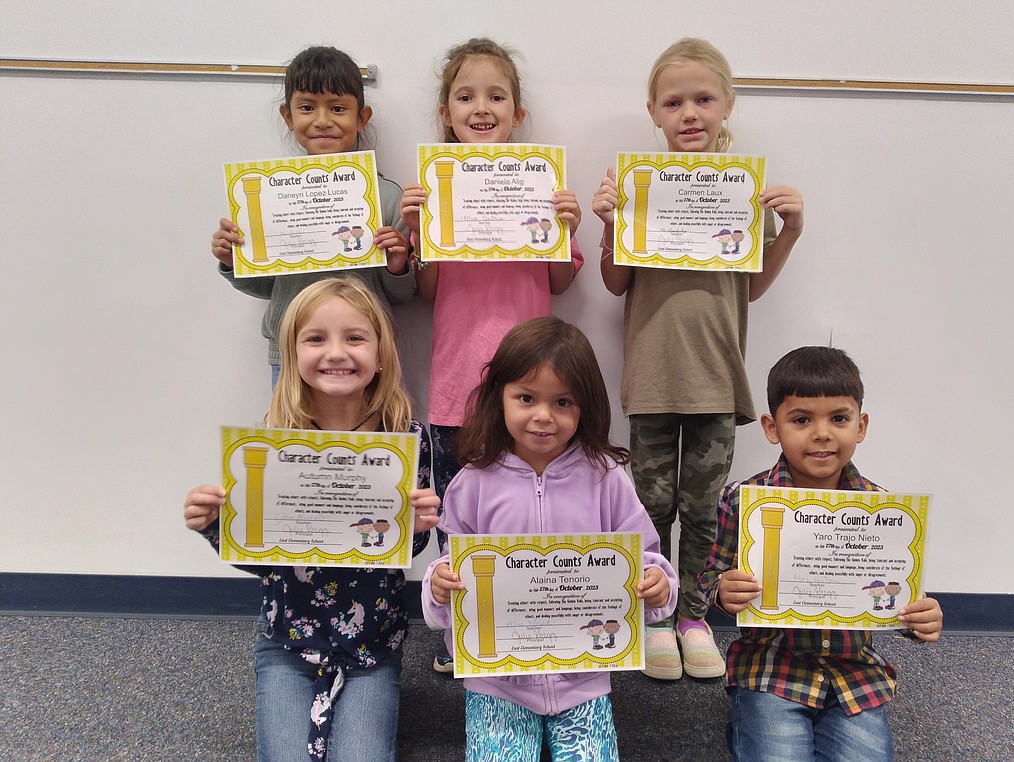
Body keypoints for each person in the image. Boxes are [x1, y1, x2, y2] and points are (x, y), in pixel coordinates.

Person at [591, 37, 805, 681]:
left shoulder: (747, 193)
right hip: (652, 380)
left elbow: (753, 287)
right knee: (650, 508)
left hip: (717, 378)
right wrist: (608, 224)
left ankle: (694, 616)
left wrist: (791, 229)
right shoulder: (636, 190)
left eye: (704, 99)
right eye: (674, 102)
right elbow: (615, 285)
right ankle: (654, 618)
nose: (690, 113)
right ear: (653, 112)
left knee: (705, 508)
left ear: (728, 105)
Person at [183, 278, 441, 762]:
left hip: (371, 649)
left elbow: (402, 550)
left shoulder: (408, 440)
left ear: (382, 353)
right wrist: (215, 527)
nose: (336, 352)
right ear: (292, 351)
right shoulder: (271, 441)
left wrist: (422, 528)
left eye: (355, 337)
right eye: (316, 338)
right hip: (286, 643)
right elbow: (264, 562)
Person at [401, 38, 584, 672]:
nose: (481, 107)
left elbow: (561, 283)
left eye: (495, 96)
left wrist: (565, 223)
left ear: (518, 111)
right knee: (458, 513)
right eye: (465, 96)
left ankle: (523, 621)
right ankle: (460, 627)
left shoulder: (543, 185)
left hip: (532, 386)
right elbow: (425, 291)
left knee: (526, 509)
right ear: (447, 114)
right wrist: (419, 235)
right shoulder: (435, 191)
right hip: (458, 388)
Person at [421, 317, 676, 760]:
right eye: (525, 398)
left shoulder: (607, 479)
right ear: (497, 397)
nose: (543, 416)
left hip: (583, 676)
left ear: (584, 408)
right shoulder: (472, 483)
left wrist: (657, 586)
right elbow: (449, 570)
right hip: (497, 680)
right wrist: (439, 587)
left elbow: (646, 559)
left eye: (562, 401)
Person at [698, 346, 943, 761]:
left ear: (860, 426)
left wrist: (919, 617)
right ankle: (747, 720)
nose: (822, 433)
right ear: (772, 427)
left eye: (839, 419)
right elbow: (707, 581)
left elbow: (896, 595)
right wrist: (722, 591)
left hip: (855, 674)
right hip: (771, 667)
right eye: (801, 420)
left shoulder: (883, 509)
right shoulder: (743, 500)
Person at [210, 46, 414, 387]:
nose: (322, 120)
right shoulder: (266, 200)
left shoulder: (388, 198)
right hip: (290, 353)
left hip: (366, 356)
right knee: (294, 441)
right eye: (307, 108)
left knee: (365, 440)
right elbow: (265, 285)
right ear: (288, 117)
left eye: (337, 108)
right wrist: (234, 261)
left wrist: (397, 266)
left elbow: (401, 295)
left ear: (362, 117)